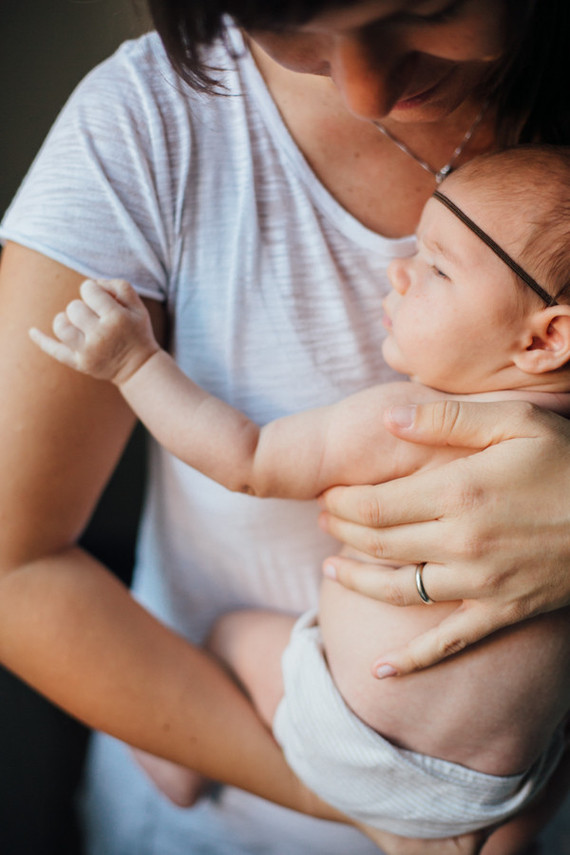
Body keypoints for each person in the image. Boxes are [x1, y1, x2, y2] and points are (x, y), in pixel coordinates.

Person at [0, 1, 569, 853]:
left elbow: (250, 456)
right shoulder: (148, 128)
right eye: (293, 29)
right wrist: (374, 811)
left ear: (548, 337)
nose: (366, 90)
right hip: (475, 791)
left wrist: (132, 362)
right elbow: (14, 564)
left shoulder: (404, 419)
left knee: (244, 639)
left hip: (374, 741)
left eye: (425, 6)